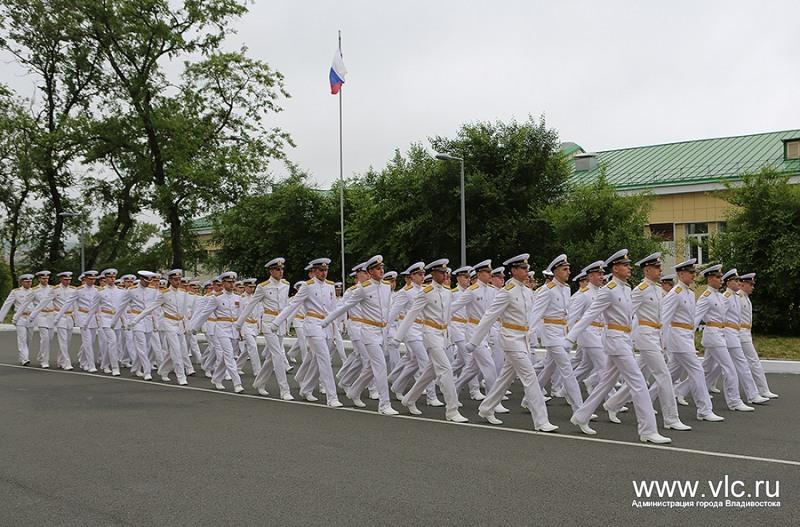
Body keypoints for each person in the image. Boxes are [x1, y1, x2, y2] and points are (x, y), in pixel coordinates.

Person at [566, 249, 671, 444]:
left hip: (624, 340)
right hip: (615, 341)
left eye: (629, 265)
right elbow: (589, 315)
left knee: (606, 382)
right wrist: (569, 338)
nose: (629, 268)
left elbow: (631, 318)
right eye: (625, 265)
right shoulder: (609, 290)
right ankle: (648, 430)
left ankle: (581, 416)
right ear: (615, 268)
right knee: (638, 383)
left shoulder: (626, 289)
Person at [467, 254, 558, 431]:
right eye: (523, 268)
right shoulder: (506, 292)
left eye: (527, 268)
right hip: (510, 339)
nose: (526, 271)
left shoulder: (528, 292)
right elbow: (489, 316)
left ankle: (486, 408)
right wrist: (474, 341)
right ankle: (541, 421)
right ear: (514, 270)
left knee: (504, 379)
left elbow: (532, 317)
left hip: (523, 340)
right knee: (530, 378)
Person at [602, 252, 691, 431]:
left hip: (655, 336)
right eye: (657, 268)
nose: (660, 271)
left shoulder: (658, 290)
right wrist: (627, 337)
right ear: (647, 270)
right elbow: (627, 315)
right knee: (663, 375)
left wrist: (663, 337)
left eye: (660, 267)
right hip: (645, 337)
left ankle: (613, 404)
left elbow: (661, 318)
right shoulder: (639, 290)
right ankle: (671, 419)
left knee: (640, 376)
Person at [393, 259, 468, 423]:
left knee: (429, 373)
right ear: (433, 274)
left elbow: (448, 315)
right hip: (430, 335)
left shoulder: (447, 291)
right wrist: (397, 338)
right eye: (441, 272)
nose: (445, 275)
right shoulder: (426, 292)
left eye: (446, 272)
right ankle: (452, 410)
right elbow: (411, 315)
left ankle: (409, 399)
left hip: (443, 335)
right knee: (446, 369)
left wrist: (449, 336)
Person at [323, 255, 399, 415]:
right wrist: (325, 322)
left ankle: (354, 391)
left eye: (382, 268)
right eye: (377, 268)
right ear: (370, 272)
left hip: (383, 331)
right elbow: (344, 307)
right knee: (380, 366)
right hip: (368, 332)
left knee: (371, 366)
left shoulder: (387, 287)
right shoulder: (363, 289)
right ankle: (384, 404)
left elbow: (389, 310)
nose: (381, 271)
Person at [676, 264, 754, 412]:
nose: (721, 279)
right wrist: (688, 337)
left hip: (720, 335)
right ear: (710, 279)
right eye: (718, 277)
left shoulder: (719, 296)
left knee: (705, 369)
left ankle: (680, 390)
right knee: (730, 368)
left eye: (721, 276)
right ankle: (734, 401)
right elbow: (696, 319)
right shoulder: (706, 297)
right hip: (713, 337)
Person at [270, 258, 343, 407]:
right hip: (313, 325)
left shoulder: (330, 286)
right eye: (321, 270)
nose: (324, 273)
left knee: (317, 360)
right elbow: (293, 305)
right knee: (324, 359)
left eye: (326, 270)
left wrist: (335, 332)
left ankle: (306, 389)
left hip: (327, 326)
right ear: (314, 271)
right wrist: (277, 322)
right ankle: (332, 397)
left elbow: (334, 310)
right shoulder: (307, 286)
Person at [660, 259, 725, 422]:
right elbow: (664, 320)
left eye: (694, 272)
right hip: (677, 339)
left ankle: (644, 398)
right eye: (690, 272)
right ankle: (704, 410)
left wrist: (691, 336)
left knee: (669, 375)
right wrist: (662, 343)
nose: (693, 275)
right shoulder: (674, 294)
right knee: (697, 371)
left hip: (685, 338)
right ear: (681, 274)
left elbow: (691, 321)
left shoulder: (689, 293)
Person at [705, 269, 769, 406]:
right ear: (729, 282)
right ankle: (751, 395)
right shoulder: (726, 297)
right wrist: (721, 332)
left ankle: (686, 389)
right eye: (736, 280)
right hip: (727, 335)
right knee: (739, 365)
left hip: (733, 334)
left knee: (710, 367)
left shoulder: (735, 297)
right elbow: (720, 317)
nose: (738, 283)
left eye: (739, 280)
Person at [530, 254, 584, 412]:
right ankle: (579, 409)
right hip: (551, 334)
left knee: (549, 368)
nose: (569, 272)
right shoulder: (547, 290)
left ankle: (528, 398)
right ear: (555, 271)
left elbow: (567, 314)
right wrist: (528, 335)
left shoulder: (566, 289)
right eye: (565, 269)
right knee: (567, 369)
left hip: (562, 333)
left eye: (568, 269)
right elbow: (535, 314)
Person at [235, 257, 294, 400]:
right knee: (278, 354)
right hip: (268, 323)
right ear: (271, 271)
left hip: (280, 323)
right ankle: (284, 390)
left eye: (282, 269)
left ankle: (260, 383)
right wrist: (239, 323)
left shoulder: (286, 284)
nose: (281, 272)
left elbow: (286, 305)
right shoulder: (263, 287)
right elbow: (251, 305)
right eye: (277, 269)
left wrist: (287, 323)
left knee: (271, 357)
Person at [129, 269, 191, 386]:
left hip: (179, 324)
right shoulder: (164, 294)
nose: (178, 282)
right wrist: (135, 320)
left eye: (179, 279)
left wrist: (186, 325)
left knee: (175, 351)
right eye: (175, 280)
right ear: (170, 280)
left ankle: (163, 370)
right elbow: (150, 308)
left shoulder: (183, 293)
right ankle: (181, 376)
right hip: (169, 324)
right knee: (176, 351)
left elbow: (184, 311)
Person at [189, 271, 245, 392]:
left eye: (233, 282)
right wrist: (194, 328)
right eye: (229, 282)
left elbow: (241, 316)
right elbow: (205, 313)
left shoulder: (238, 298)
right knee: (229, 356)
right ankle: (237, 383)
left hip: (234, 330)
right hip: (222, 329)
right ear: (223, 283)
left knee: (228, 356)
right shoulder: (216, 298)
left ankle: (216, 378)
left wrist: (241, 331)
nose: (231, 284)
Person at [736, 273, 778, 399]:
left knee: (716, 365)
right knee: (754, 361)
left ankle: (706, 385)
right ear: (742, 284)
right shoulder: (738, 297)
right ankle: (763, 390)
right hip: (740, 334)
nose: (753, 287)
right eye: (750, 284)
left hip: (745, 333)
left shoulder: (745, 297)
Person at [53, 271, 101, 372]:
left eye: (94, 279)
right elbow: (67, 304)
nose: (92, 281)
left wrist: (99, 317)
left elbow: (100, 305)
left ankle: (83, 361)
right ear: (85, 279)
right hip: (83, 317)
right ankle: (90, 365)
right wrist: (57, 317)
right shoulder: (78, 290)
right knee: (87, 342)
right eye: (90, 279)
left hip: (92, 318)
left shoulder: (98, 290)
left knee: (91, 341)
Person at [0, 273, 35, 365]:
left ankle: (23, 356)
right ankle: (25, 358)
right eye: (26, 281)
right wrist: (1, 318)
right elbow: (7, 304)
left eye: (30, 281)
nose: (29, 283)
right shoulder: (16, 292)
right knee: (22, 338)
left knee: (29, 339)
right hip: (20, 318)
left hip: (31, 318)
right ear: (21, 282)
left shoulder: (34, 291)